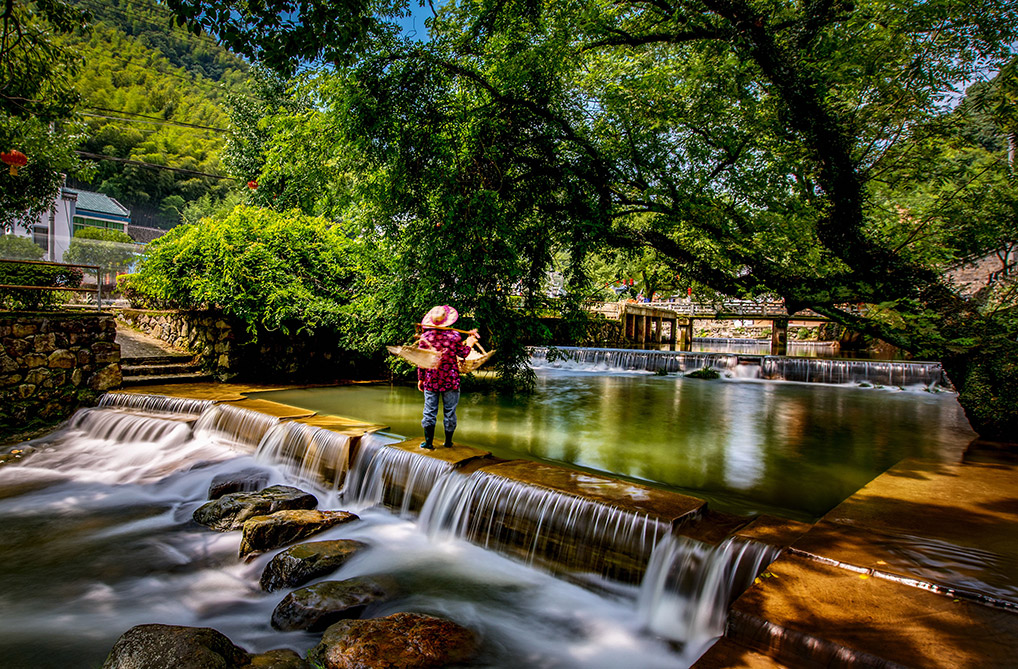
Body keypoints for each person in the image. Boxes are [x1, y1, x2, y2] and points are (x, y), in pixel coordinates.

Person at [416, 305, 478, 449]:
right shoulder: (454, 336)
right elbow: (463, 353)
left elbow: (422, 361)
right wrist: (469, 342)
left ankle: (429, 443)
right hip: (451, 380)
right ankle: (448, 442)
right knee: (450, 412)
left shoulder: (425, 337)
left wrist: (421, 378)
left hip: (432, 380)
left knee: (429, 412)